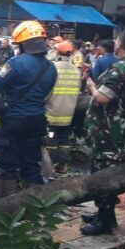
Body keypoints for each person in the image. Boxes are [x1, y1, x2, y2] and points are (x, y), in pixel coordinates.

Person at [81, 30, 125, 235]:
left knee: (104, 173)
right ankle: (104, 214)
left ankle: (105, 221)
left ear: (121, 44)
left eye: (117, 40)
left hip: (108, 129)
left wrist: (91, 85)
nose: (115, 42)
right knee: (109, 170)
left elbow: (103, 98)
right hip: (120, 126)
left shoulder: (119, 69)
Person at [0, 20, 57, 196]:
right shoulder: (51, 67)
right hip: (37, 121)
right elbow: (47, 93)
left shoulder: (16, 63)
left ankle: (6, 208)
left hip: (14, 120)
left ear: (22, 44)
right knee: (32, 165)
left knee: (7, 166)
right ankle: (32, 206)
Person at [46, 41, 81, 173]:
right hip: (68, 113)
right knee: (64, 139)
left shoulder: (52, 68)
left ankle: (51, 167)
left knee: (51, 138)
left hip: (52, 113)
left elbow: (47, 92)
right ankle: (63, 166)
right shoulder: (76, 71)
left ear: (57, 52)